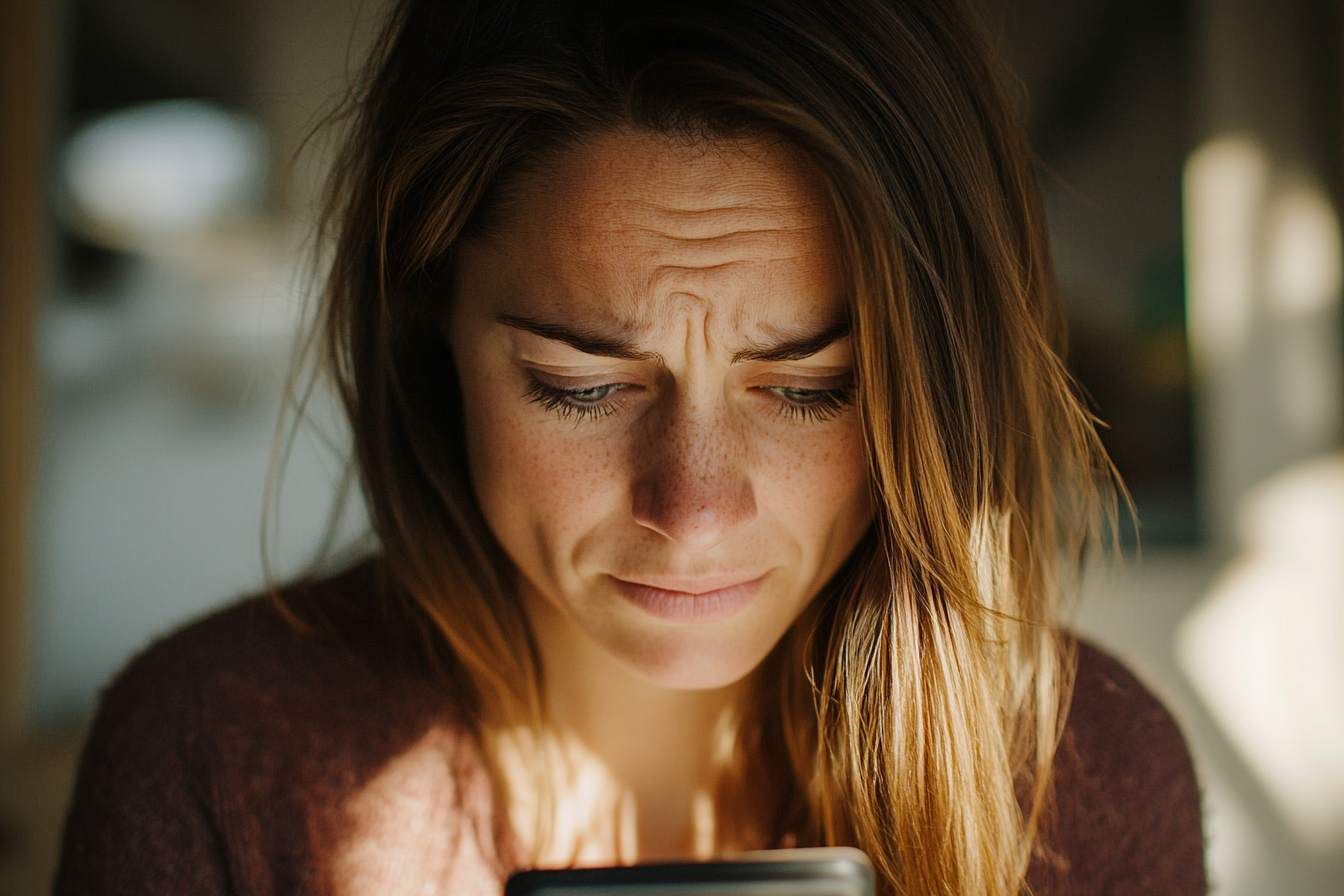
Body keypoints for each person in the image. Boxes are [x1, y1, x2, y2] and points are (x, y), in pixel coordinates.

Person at [54, 1, 1207, 894]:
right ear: (430, 325)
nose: (694, 507)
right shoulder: (214, 752)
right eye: (581, 386)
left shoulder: (1086, 775)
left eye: (815, 387)